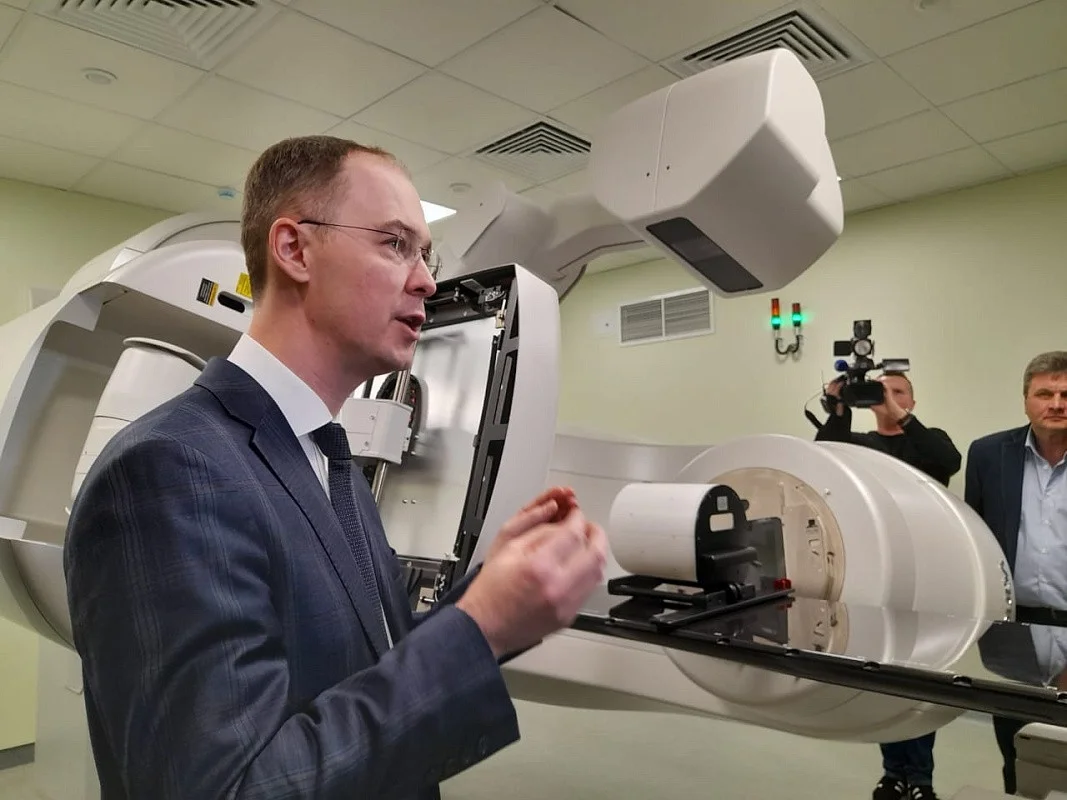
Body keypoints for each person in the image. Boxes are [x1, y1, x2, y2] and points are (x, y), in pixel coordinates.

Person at [63, 135, 609, 800]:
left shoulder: (326, 456)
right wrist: (480, 627)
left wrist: (493, 598)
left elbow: (369, 662)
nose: (426, 280)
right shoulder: (172, 471)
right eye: (395, 243)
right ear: (294, 249)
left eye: (426, 255)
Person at [816, 371, 962, 800]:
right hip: (876, 572)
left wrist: (897, 414)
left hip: (927, 573)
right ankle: (893, 772)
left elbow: (949, 462)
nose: (887, 397)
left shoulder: (929, 439)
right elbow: (824, 457)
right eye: (880, 391)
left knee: (918, 678)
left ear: (912, 402)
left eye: (898, 392)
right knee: (881, 677)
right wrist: (839, 409)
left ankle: (921, 779)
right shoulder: (858, 444)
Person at [965, 351, 1067, 795]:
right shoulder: (988, 454)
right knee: (1018, 748)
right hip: (1012, 630)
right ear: (1025, 399)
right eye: (1044, 393)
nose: (1056, 403)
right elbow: (974, 537)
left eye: (1066, 394)